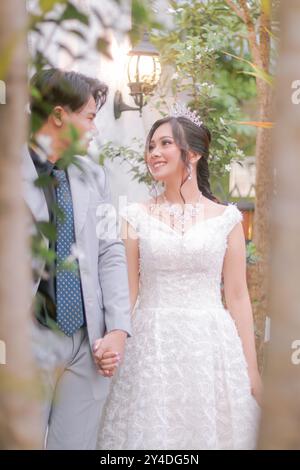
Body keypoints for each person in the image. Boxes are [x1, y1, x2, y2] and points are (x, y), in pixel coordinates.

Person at [97, 108, 261, 450]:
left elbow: (237, 296)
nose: (154, 153)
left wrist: (253, 371)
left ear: (194, 153)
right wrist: (112, 339)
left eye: (165, 143)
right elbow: (127, 293)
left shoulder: (227, 219)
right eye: (151, 146)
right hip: (150, 345)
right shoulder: (134, 217)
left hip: (211, 347)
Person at [23, 68, 131, 449]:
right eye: (89, 117)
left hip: (88, 343)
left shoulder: (94, 175)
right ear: (57, 115)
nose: (95, 129)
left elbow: (109, 250)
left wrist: (117, 329)